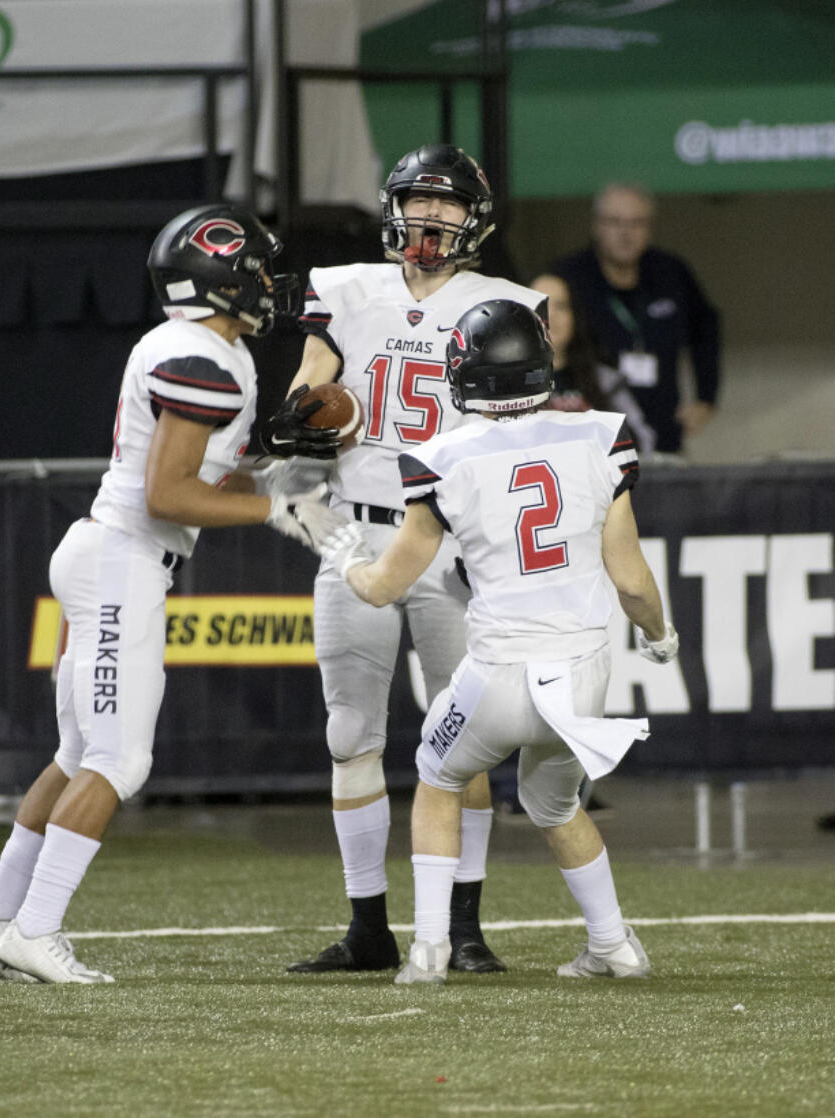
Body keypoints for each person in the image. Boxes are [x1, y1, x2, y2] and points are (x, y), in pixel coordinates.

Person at [0, 203, 330, 984]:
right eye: (255, 269)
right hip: (124, 558)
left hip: (104, 551)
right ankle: (36, 928)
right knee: (119, 761)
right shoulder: (206, 359)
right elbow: (168, 494)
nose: (265, 283)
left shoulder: (194, 346)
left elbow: (186, 470)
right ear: (223, 279)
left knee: (77, 753)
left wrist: (267, 464)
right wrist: (275, 508)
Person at [308, 299, 679, 984]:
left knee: (437, 773)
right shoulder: (599, 436)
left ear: (467, 375)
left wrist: (339, 552)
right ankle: (613, 944)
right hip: (584, 672)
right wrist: (661, 637)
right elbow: (630, 578)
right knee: (554, 803)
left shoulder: (443, 455)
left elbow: (387, 585)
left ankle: (429, 949)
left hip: (501, 672)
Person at [261, 144, 546, 976]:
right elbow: (315, 380)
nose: (428, 217)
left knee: (468, 740)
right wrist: (301, 415)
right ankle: (367, 928)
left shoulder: (507, 303)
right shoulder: (346, 287)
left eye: (446, 204)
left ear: (475, 219)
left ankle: (463, 927)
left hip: (460, 540)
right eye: (415, 200)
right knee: (350, 732)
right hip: (360, 529)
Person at [550, 182, 720, 457]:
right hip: (592, 446)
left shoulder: (671, 273)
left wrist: (706, 398)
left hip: (663, 435)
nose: (626, 233)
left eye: (637, 223)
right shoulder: (569, 279)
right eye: (615, 222)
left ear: (650, 227)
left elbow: (706, 327)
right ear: (596, 225)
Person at [530, 273, 654, 455]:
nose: (551, 315)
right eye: (539, 307)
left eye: (561, 306)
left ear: (575, 316)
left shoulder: (605, 381)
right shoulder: (500, 384)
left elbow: (641, 442)